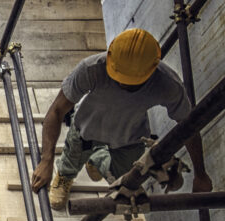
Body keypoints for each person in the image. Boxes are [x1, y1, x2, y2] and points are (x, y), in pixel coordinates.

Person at [31, 28, 212, 209]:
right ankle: (65, 176)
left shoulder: (167, 84)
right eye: (119, 76)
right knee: (71, 159)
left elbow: (188, 127)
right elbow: (56, 110)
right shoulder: (91, 69)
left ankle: (97, 159)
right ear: (111, 59)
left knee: (126, 179)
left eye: (132, 81)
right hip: (87, 129)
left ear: (152, 69)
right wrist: (46, 161)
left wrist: (201, 174)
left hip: (129, 138)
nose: (123, 83)